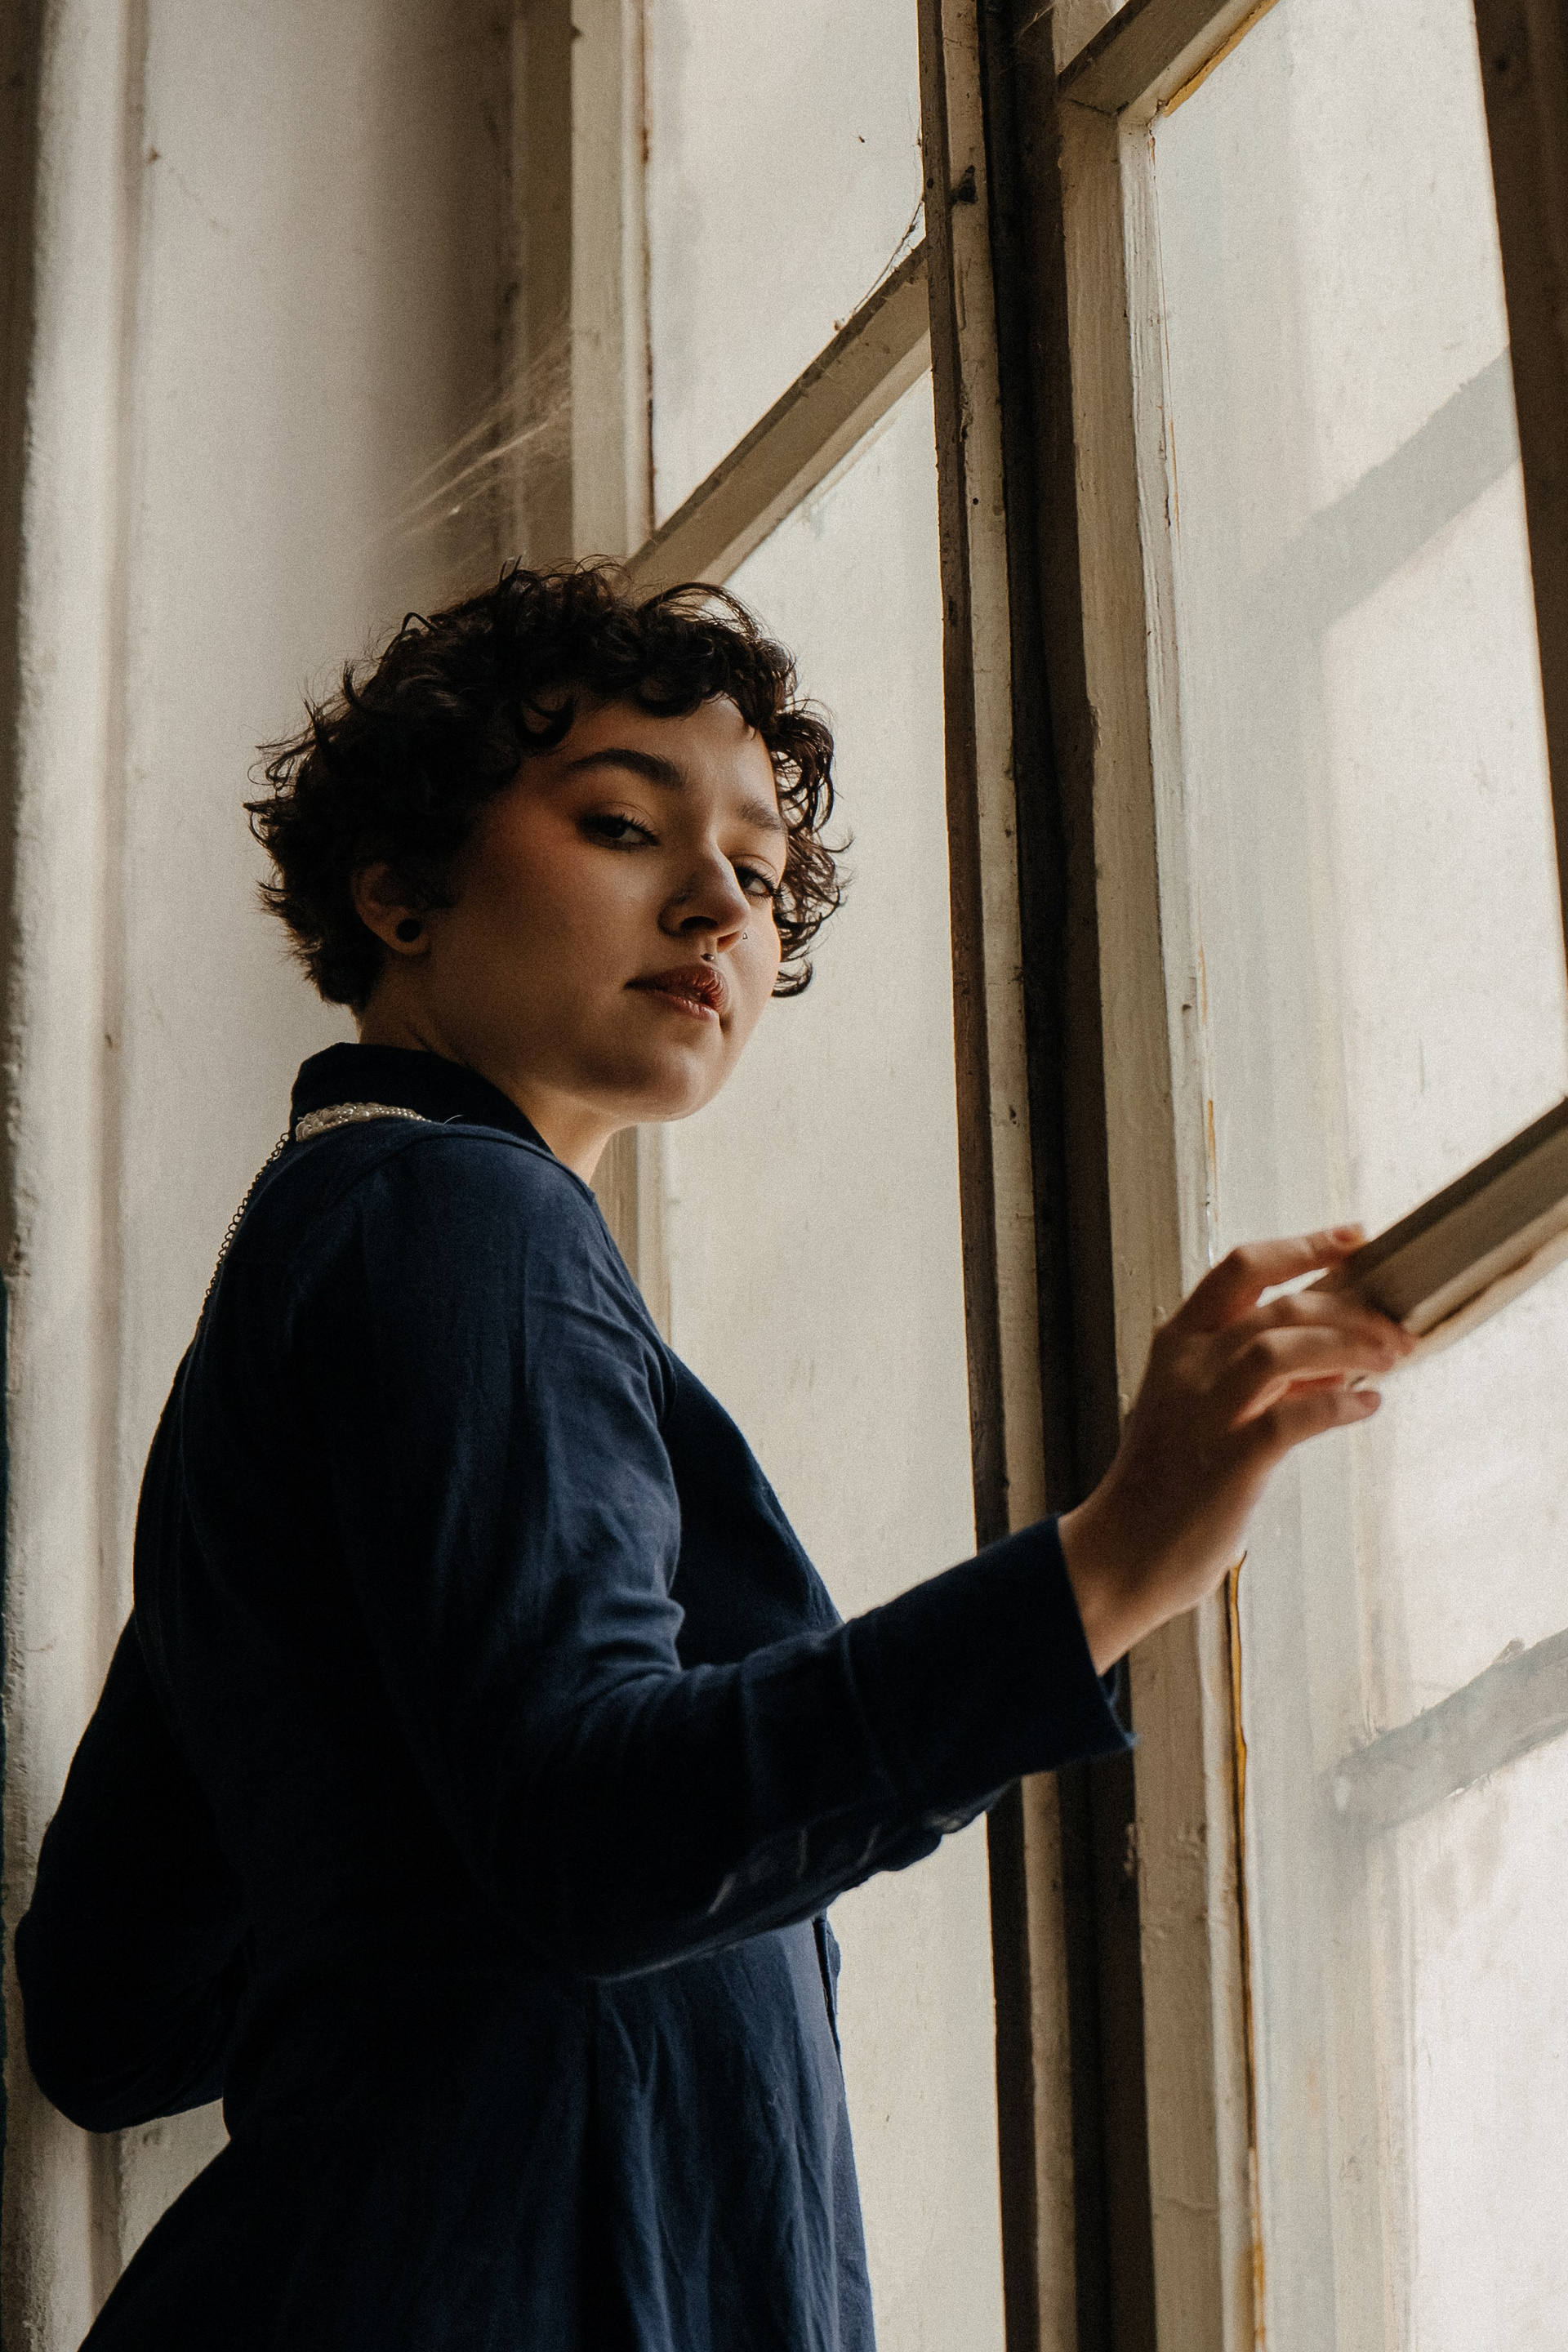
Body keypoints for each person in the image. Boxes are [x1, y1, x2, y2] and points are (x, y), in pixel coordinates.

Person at [16, 565, 1411, 2350]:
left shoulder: (323, 1278)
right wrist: (1118, 1557)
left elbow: (114, 2005)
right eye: (622, 824)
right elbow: (597, 1838)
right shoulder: (462, 1214)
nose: (718, 902)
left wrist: (405, 1928)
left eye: (761, 870)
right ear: (397, 889)